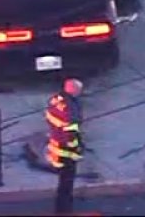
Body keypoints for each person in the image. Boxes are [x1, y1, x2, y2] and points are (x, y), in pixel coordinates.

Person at [45, 78, 84, 215]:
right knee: (66, 185)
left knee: (62, 184)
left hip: (55, 144)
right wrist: (77, 148)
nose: (80, 93)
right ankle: (64, 211)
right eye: (79, 90)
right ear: (73, 90)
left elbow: (50, 118)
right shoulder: (71, 108)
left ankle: (60, 209)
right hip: (66, 151)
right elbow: (71, 132)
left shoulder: (55, 99)